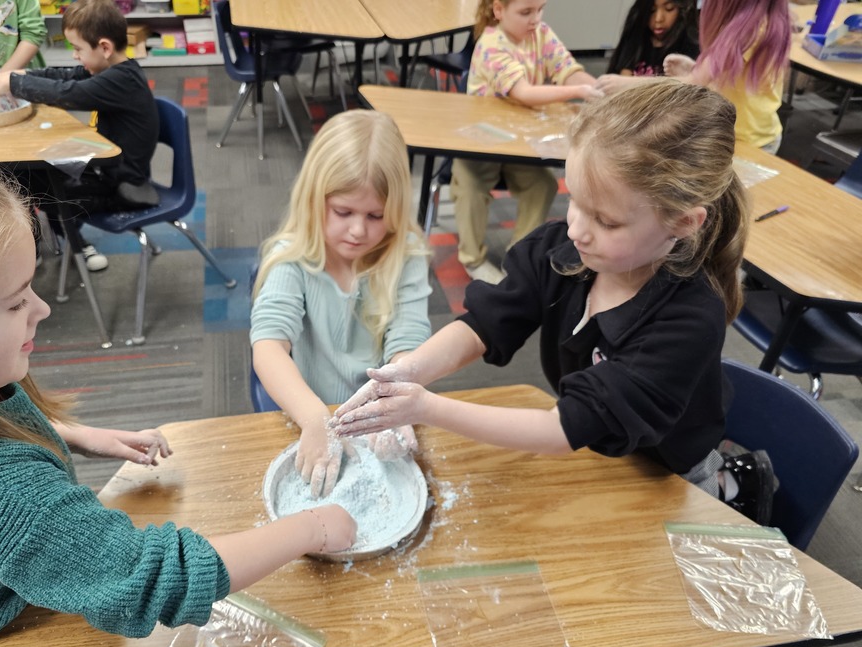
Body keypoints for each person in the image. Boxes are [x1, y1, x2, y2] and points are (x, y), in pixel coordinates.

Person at [0, 143, 356, 647]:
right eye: (16, 302)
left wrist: (85, 437)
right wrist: (311, 528)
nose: (40, 309)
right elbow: (151, 582)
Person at [335, 81, 776, 524]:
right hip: (594, 443)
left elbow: (562, 429)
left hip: (666, 465)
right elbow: (485, 323)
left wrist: (425, 407)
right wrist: (411, 370)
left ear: (681, 222)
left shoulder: (690, 319)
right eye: (575, 202)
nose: (576, 230)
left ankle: (733, 481)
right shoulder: (568, 252)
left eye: (604, 220)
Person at [250, 110, 433, 498]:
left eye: (375, 216)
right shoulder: (293, 258)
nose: (357, 230)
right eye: (343, 212)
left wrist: (392, 403)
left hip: (378, 411)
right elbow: (268, 347)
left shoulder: (407, 256)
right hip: (307, 408)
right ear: (315, 199)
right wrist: (315, 417)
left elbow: (407, 344)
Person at [0, 0, 158, 273]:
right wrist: (23, 74)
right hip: (106, 171)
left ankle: (71, 245)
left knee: (42, 188)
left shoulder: (120, 81)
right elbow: (68, 76)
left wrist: (14, 83)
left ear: (104, 47)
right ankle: (65, 239)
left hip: (123, 188)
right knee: (26, 174)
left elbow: (67, 93)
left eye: (78, 49)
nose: (75, 56)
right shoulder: (113, 70)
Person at [450, 0, 603, 286]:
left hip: (517, 142)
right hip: (480, 143)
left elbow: (566, 68)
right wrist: (578, 91)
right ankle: (473, 259)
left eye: (540, 10)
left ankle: (517, 253)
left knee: (541, 185)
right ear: (498, 10)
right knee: (469, 188)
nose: (535, 19)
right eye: (526, 12)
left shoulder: (541, 34)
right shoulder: (491, 43)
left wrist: (595, 86)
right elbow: (523, 92)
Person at [662, 0, 791, 153]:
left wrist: (626, 84)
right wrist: (695, 68)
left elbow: (695, 81)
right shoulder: (756, 21)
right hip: (748, 133)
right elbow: (734, 77)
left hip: (748, 142)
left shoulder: (750, 31)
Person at [602, 0, 699, 78]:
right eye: (652, 10)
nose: (658, 19)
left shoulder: (690, 44)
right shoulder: (636, 37)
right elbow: (624, 78)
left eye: (669, 9)